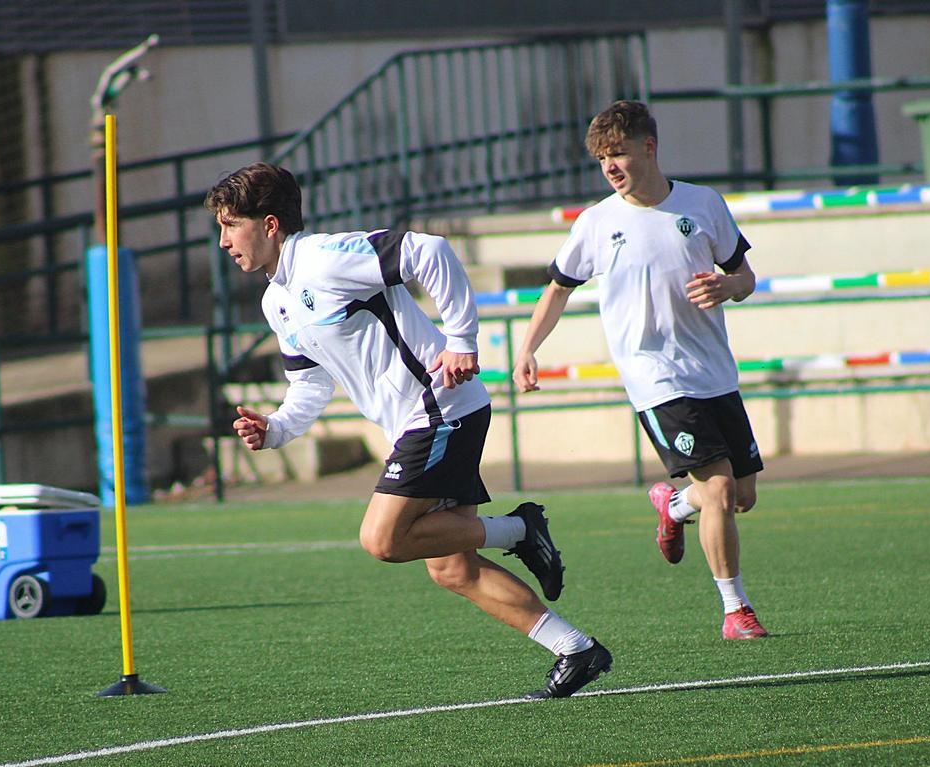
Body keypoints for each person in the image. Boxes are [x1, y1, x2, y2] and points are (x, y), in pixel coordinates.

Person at [205, 162, 612, 696]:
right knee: (451, 569)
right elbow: (310, 384)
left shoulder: (326, 257)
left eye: (230, 225)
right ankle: (577, 649)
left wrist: (462, 340)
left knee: (382, 539)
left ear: (271, 223)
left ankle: (520, 530)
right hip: (419, 423)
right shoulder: (275, 300)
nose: (223, 241)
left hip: (441, 408)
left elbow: (432, 252)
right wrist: (275, 428)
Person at [513, 101, 768, 640]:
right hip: (654, 376)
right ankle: (735, 610)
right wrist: (528, 349)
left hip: (714, 371)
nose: (609, 166)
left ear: (648, 148)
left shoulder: (703, 204)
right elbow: (558, 288)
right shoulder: (597, 223)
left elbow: (744, 275)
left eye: (618, 153)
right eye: (601, 158)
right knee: (720, 491)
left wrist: (730, 287)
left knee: (740, 496)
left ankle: (673, 506)